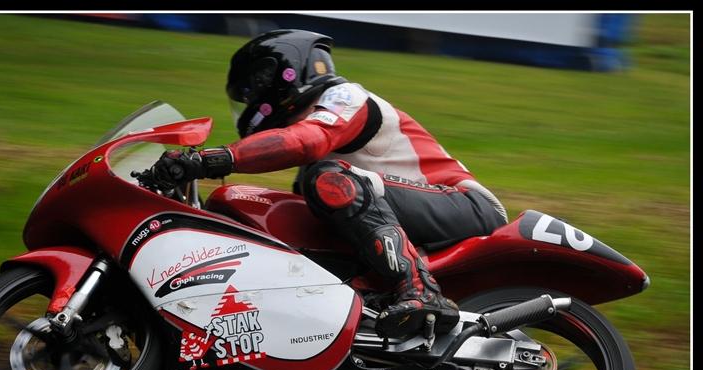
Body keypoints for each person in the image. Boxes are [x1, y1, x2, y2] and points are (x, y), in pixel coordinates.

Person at [145, 29, 508, 340]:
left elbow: (306, 140)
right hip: (412, 209)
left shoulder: (345, 97)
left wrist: (205, 160)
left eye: (249, 93)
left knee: (330, 180)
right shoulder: (315, 163)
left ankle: (421, 291)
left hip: (466, 206)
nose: (249, 108)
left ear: (278, 76)